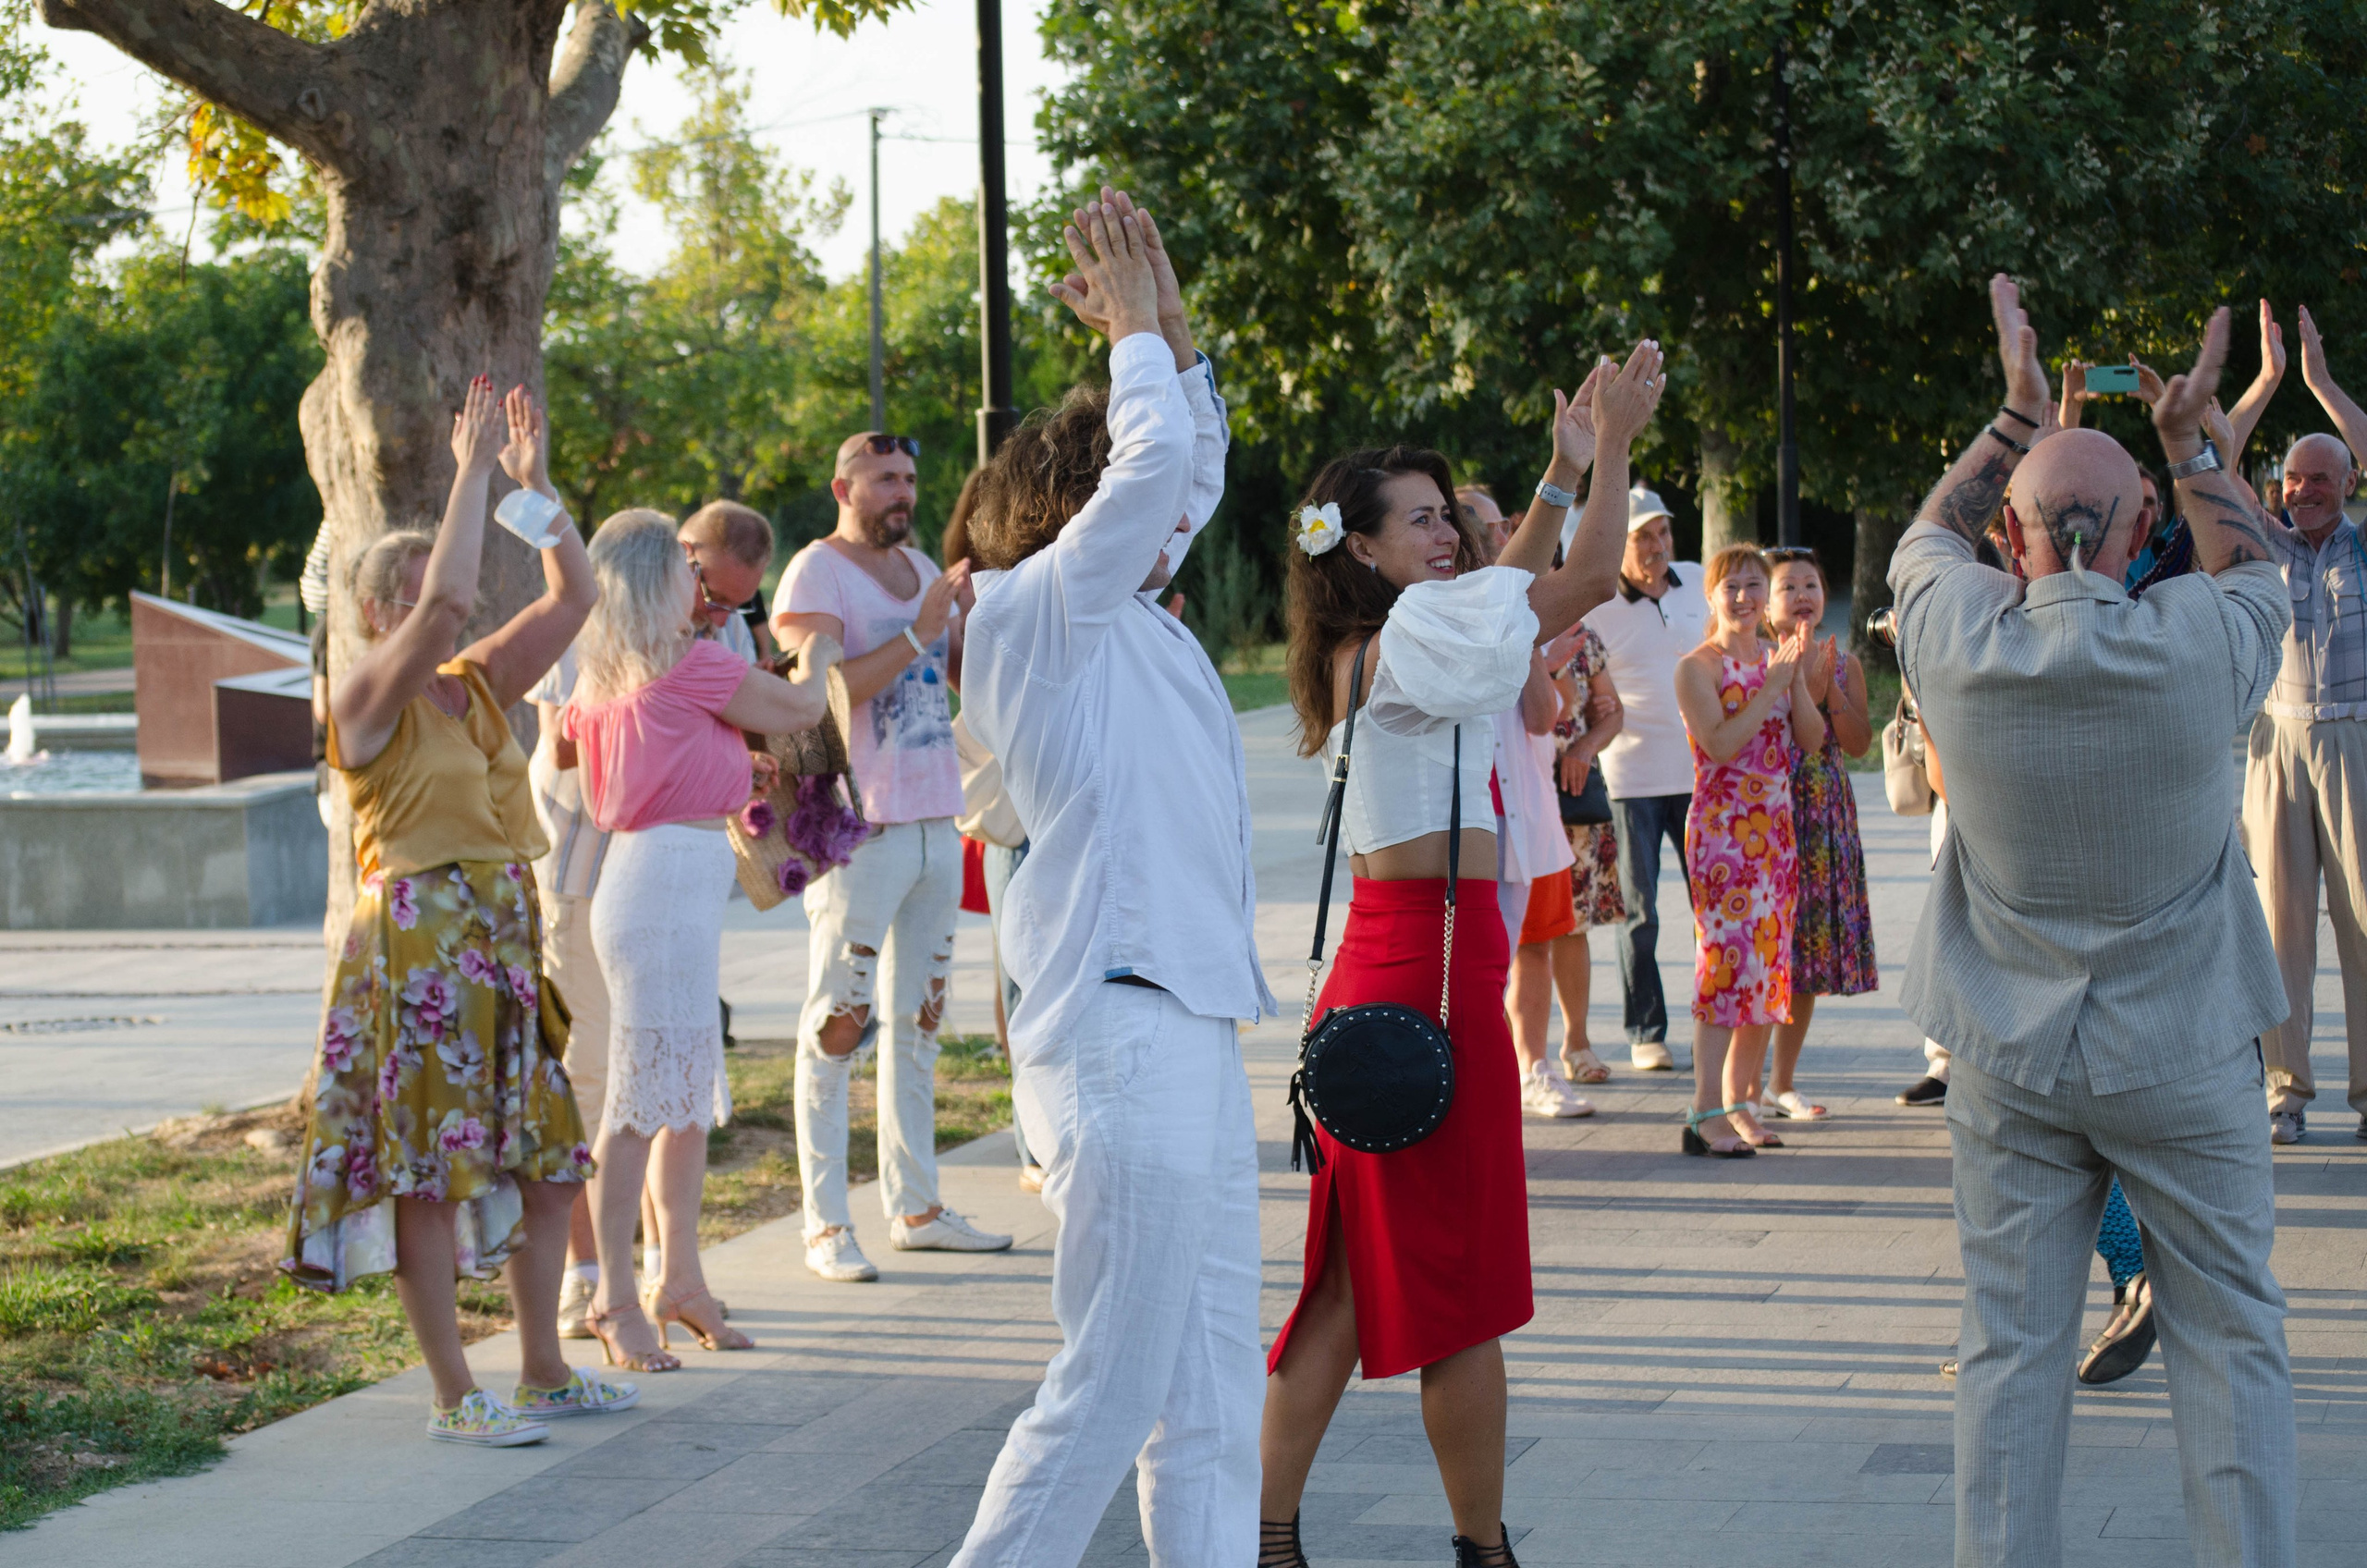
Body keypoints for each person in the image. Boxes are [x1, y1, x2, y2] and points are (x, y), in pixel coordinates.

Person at [1893, 276, 2294, 1568]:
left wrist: (2016, 417)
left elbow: (1920, 543)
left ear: (2009, 542)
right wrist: (2189, 447)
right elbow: (2260, 566)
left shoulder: (1957, 637)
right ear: (2137, 538)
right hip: (2185, 1046)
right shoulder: (2199, 639)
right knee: (2232, 1339)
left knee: (2007, 1350)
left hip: (2008, 1055)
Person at [1261, 339, 1664, 1568]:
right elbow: (1589, 572)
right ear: (1362, 551)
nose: (1446, 536)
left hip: (1412, 983)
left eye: (1449, 515)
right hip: (1420, 991)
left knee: (1346, 1283)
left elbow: (1523, 576)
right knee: (1463, 1297)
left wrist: (1561, 466)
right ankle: (1479, 1552)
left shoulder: (1401, 637)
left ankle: (1272, 1540)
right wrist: (1616, 457)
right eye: (1420, 522)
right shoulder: (1418, 636)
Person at [949, 190, 1274, 1566]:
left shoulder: (1125, 615)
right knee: (1112, 1387)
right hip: (1120, 1031)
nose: (1166, 515)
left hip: (1188, 1023)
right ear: (1069, 515)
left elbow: (1176, 476)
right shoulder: (1031, 617)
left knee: (1211, 1394)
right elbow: (1153, 479)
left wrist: (1173, 331)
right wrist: (1136, 339)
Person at [284, 379, 626, 1447]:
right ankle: (450, 1394)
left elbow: (573, 600)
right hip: (419, 951)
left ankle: (540, 1369)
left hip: (502, 940)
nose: (461, 608)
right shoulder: (362, 698)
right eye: (429, 595)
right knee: (425, 1173)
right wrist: (469, 465)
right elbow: (443, 602)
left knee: (544, 1156)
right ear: (383, 610)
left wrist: (535, 490)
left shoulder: (473, 683)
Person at [561, 511, 828, 1367]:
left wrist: (714, 760)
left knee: (680, 1096)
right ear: (652, 580)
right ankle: (613, 1296)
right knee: (642, 1101)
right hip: (660, 890)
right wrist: (819, 646)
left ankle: (679, 1281)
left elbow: (602, 755)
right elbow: (799, 705)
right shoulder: (690, 663)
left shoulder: (608, 676)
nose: (698, 581)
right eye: (683, 567)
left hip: (654, 883)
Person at [772, 434, 1012, 1282]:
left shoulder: (919, 570)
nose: (901, 491)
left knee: (921, 1021)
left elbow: (954, 679)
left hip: (934, 818)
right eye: (883, 479)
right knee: (837, 1022)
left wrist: (970, 631)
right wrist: (919, 635)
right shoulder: (816, 574)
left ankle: (916, 1206)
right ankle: (824, 1224)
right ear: (844, 486)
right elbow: (820, 696)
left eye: (910, 477)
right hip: (855, 828)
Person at [2244, 304, 2367, 1145]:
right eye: (2293, 477)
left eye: (2321, 477)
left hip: (2358, 739)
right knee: (2279, 927)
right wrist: (2267, 381)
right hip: (2277, 741)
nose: (2303, 489)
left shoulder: (2363, 548)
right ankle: (2285, 1093)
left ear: (2350, 484)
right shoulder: (2264, 543)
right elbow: (2205, 467)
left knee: (2364, 921)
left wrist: (2321, 384)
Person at [1674, 545, 1824, 1155]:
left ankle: (1743, 1102)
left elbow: (1810, 741)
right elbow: (1721, 745)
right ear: (1710, 596)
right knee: (1725, 967)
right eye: (1730, 586)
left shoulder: (1776, 658)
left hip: (1776, 832)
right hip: (1723, 833)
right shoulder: (1697, 667)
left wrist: (1800, 681)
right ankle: (1702, 1109)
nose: (1742, 596)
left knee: (1767, 969)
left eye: (1752, 585)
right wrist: (1771, 688)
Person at [1460, 484, 1592, 1119]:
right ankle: (1484, 1072)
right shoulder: (1455, 609)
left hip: (1529, 809)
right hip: (1476, 818)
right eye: (1489, 526)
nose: (1504, 531)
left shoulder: (1519, 608)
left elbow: (1542, 716)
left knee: (1536, 943)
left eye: (1503, 522)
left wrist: (1538, 657)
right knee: (1479, 961)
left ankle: (1533, 1065)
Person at [1580, 486, 1709, 1071]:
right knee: (1640, 913)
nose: (1657, 546)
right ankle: (1645, 1031)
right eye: (1642, 536)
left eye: (1662, 532)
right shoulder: (1598, 602)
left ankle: (1723, 1019)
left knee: (1715, 906)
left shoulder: (1698, 580)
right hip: (1631, 779)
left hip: (1704, 774)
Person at [1763, 546, 1875, 1121]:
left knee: (1806, 950)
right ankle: (1737, 1079)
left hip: (1823, 807)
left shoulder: (1845, 661)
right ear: (1765, 602)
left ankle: (1781, 1082)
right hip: (1765, 810)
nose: (1802, 595)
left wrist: (1831, 690)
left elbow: (1858, 744)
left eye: (1811, 583)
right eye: (1788, 586)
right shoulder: (1752, 659)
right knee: (1763, 946)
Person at [1546, 623, 1626, 1084]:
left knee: (1572, 924)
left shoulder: (1581, 636)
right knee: (1513, 932)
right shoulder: (1493, 620)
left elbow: (1613, 713)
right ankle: (1521, 1051)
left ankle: (1577, 1042)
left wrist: (1586, 745)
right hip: (1512, 794)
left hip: (1574, 798)